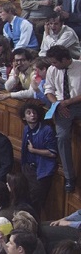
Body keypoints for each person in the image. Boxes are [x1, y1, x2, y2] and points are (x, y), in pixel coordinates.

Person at [44, 45, 81, 192]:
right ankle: (69, 177)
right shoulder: (52, 70)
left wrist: (68, 102)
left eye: (55, 62)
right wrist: (57, 104)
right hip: (61, 105)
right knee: (62, 136)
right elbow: (49, 91)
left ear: (65, 59)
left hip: (76, 102)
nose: (53, 65)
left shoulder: (79, 68)